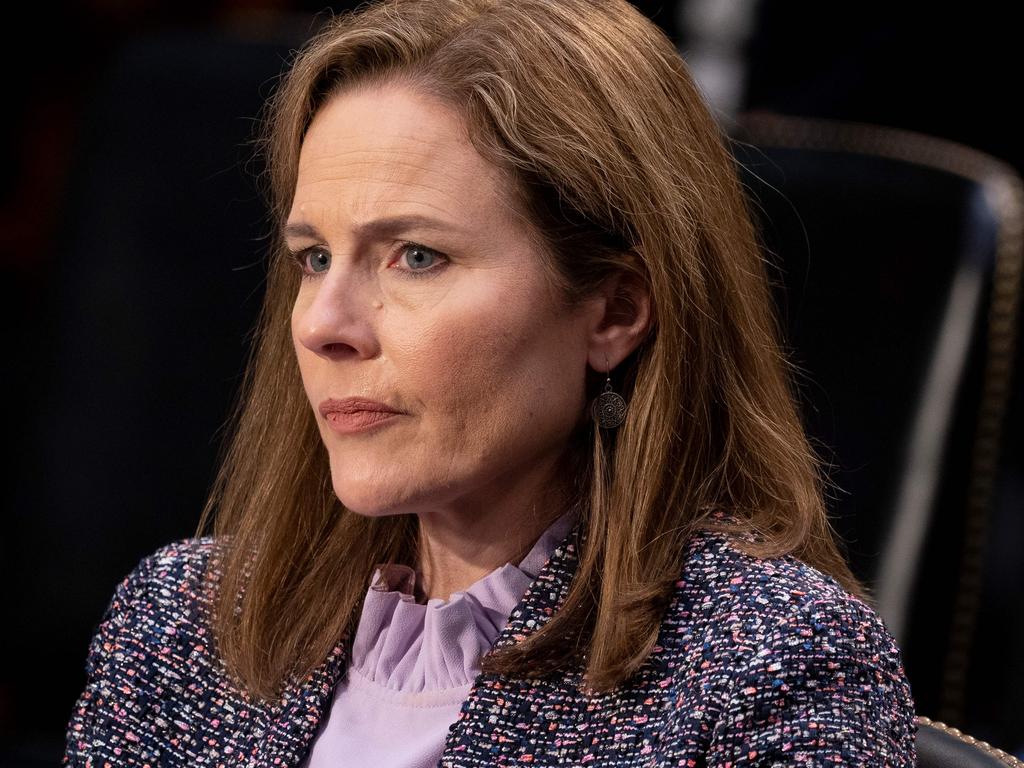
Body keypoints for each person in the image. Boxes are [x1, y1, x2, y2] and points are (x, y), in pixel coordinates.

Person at [62, 0, 918, 765]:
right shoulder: (182, 623)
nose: (324, 323)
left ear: (615, 310)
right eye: (314, 257)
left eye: (417, 257)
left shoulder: (770, 667)